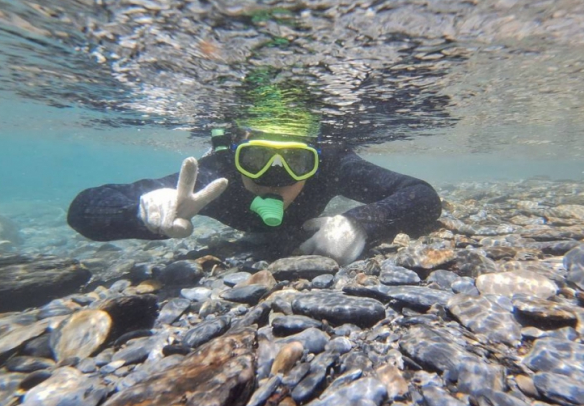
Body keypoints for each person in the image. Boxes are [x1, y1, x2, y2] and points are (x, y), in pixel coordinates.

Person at [67, 73, 442, 265]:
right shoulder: (213, 179)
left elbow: (421, 195)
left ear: (314, 161)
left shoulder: (331, 164)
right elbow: (83, 210)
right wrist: (143, 211)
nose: (274, 178)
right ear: (236, 156)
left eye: (295, 162)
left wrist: (364, 222)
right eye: (256, 160)